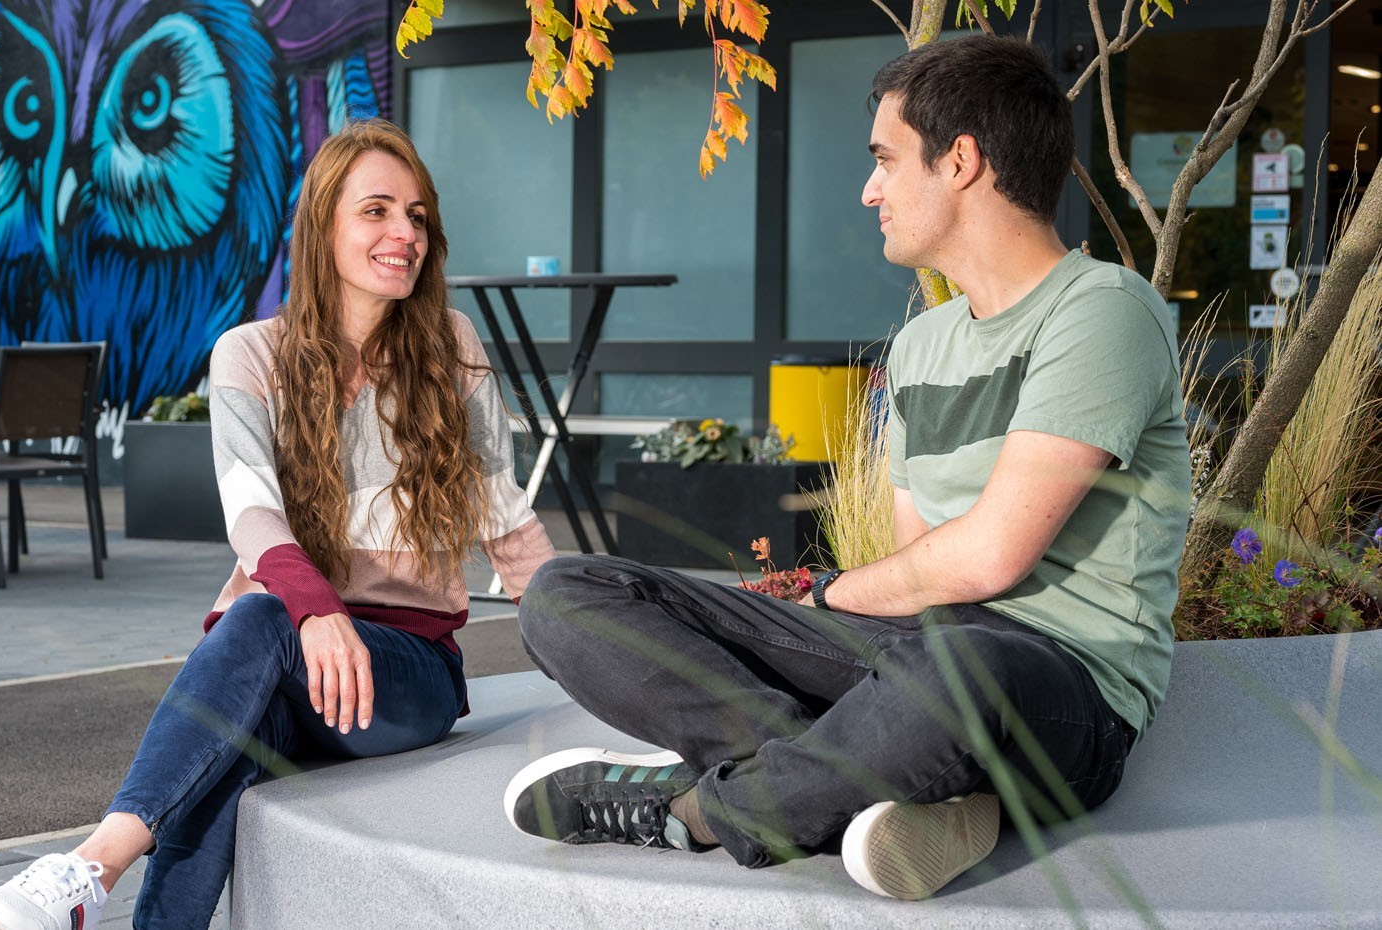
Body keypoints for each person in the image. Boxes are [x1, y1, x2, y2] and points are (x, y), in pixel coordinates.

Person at [505, 35, 1190, 901]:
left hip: (1058, 692)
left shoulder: (1103, 312)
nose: (869, 190)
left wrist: (822, 596)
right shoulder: (920, 347)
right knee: (568, 597)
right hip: (916, 654)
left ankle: (700, 810)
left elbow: (986, 561)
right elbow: (922, 577)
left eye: (886, 160)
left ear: (963, 162)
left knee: (961, 669)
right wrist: (818, 623)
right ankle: (865, 787)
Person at [0, 119, 555, 930]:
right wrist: (316, 611)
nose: (403, 234)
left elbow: (507, 519)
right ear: (323, 227)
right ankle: (97, 894)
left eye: (417, 216)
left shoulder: (451, 350)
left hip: (407, 672)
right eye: (376, 211)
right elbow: (252, 512)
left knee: (262, 616)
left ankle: (91, 865)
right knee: (223, 757)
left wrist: (593, 653)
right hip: (286, 654)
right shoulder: (250, 354)